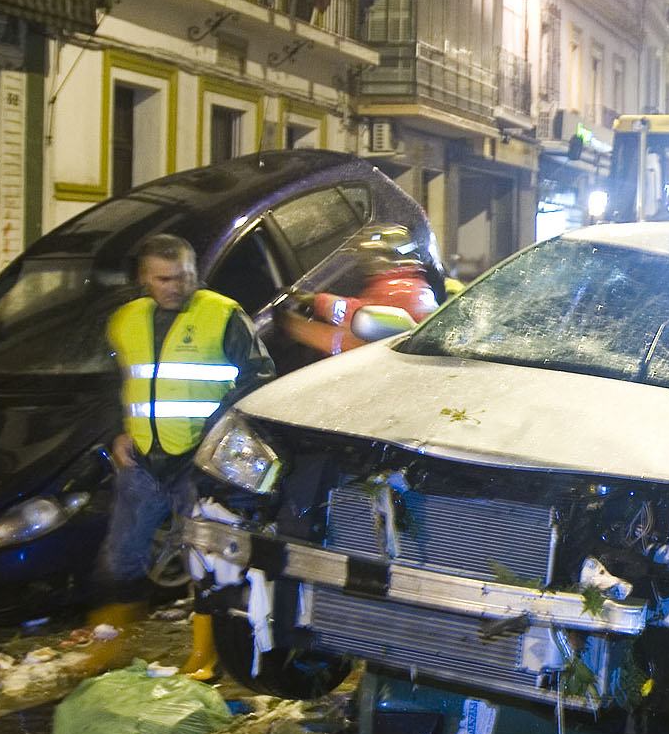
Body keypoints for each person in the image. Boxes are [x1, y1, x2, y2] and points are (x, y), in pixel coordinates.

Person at [87, 233, 275, 679]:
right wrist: (116, 432)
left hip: (198, 462)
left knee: (205, 561)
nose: (176, 286)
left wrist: (217, 438)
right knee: (121, 557)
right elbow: (110, 383)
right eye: (165, 278)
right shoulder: (125, 321)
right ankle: (111, 649)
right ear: (144, 279)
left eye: (185, 277)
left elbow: (260, 377)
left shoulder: (222, 315)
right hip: (143, 462)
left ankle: (204, 658)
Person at [277, 225, 447, 360]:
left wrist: (296, 326)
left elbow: (352, 322)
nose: (366, 263)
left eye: (371, 256)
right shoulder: (412, 284)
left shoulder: (400, 289)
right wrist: (312, 301)